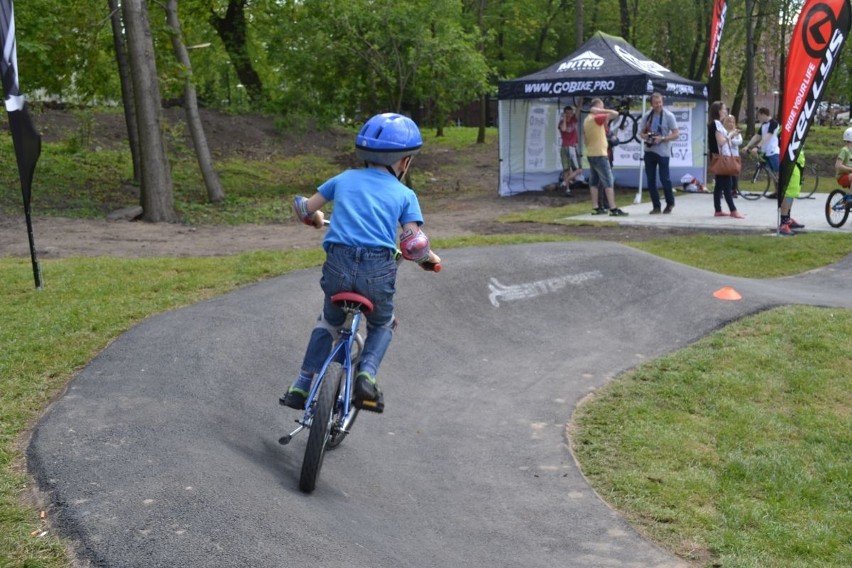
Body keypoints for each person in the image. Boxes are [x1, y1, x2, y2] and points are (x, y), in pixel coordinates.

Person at [280, 113, 439, 414]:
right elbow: (413, 244)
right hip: (377, 273)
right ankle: (366, 373)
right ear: (404, 162)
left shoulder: (343, 179)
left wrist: (314, 219)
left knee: (328, 321)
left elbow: (304, 208)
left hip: (337, 269)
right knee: (383, 322)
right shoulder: (405, 194)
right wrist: (429, 259)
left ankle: (301, 383)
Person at [583, 98, 629, 217]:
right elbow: (615, 114)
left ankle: (596, 207)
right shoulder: (597, 117)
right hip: (600, 154)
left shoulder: (587, 120)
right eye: (601, 107)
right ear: (597, 107)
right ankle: (613, 209)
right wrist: (601, 110)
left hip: (591, 153)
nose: (603, 110)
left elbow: (585, 139)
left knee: (594, 182)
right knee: (609, 181)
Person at [639, 92, 679, 214]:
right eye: (656, 103)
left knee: (664, 179)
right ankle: (656, 206)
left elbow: (676, 134)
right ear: (651, 104)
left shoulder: (669, 115)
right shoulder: (647, 116)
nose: (658, 105)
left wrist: (662, 138)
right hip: (649, 151)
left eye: (660, 102)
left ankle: (670, 203)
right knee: (651, 180)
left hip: (663, 152)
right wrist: (646, 136)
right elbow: (640, 133)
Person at [708, 100, 745, 219]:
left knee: (719, 185)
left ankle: (718, 209)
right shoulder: (716, 124)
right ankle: (733, 210)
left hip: (720, 157)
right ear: (719, 111)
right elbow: (721, 141)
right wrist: (731, 135)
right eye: (724, 109)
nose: (725, 111)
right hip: (722, 158)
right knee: (727, 184)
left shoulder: (716, 123)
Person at [742, 107, 780, 198]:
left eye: (758, 115)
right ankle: (777, 192)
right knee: (772, 174)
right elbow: (757, 136)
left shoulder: (773, 123)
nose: (758, 118)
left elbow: (768, 135)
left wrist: (757, 146)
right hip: (765, 151)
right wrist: (748, 146)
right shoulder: (763, 125)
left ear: (763, 114)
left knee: (777, 173)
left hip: (773, 151)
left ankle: (782, 192)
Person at [778, 149, 806, 236]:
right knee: (789, 194)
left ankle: (787, 219)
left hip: (797, 164)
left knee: (792, 193)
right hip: (790, 164)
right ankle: (783, 223)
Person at [558, 105, 581, 195]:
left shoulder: (573, 120)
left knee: (578, 170)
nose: (569, 115)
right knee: (566, 170)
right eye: (567, 113)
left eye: (571, 113)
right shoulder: (561, 122)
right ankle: (567, 189)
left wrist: (581, 98)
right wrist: (564, 118)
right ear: (564, 113)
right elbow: (563, 129)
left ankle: (564, 183)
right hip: (565, 147)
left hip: (572, 147)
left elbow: (579, 109)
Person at [722, 114, 742, 197]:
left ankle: (734, 189)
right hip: (727, 155)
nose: (731, 124)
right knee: (726, 174)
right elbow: (725, 142)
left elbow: (739, 141)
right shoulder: (723, 131)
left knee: (735, 174)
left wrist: (733, 138)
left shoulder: (736, 131)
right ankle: (726, 189)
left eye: (733, 122)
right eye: (729, 122)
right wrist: (731, 137)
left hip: (735, 155)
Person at [835, 126, 852, 191]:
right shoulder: (844, 150)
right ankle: (851, 197)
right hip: (842, 176)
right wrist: (850, 169)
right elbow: (838, 165)